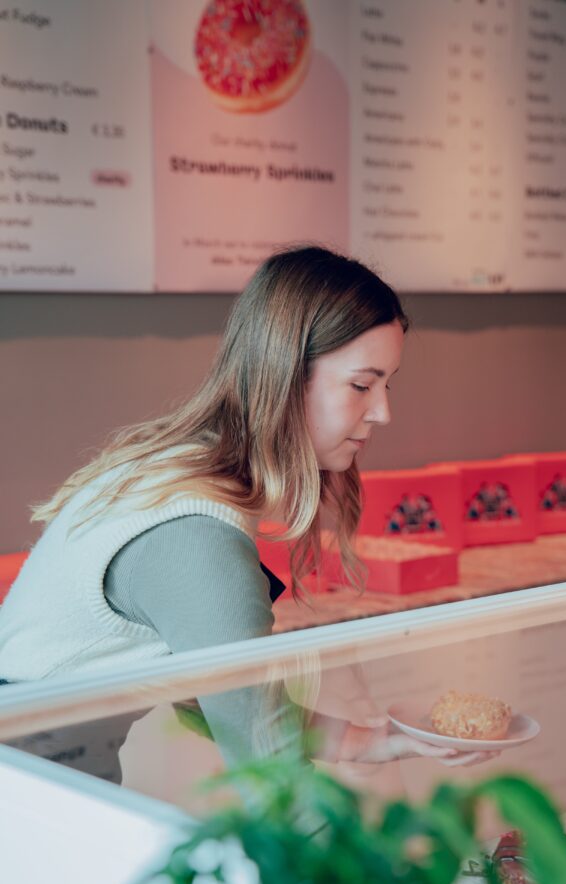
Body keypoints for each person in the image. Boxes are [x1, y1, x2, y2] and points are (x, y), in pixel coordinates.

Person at [0, 246, 491, 771]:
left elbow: (236, 705)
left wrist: (369, 739)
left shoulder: (185, 471)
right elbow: (268, 766)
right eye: (361, 385)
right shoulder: (198, 534)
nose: (383, 412)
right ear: (284, 374)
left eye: (386, 385)